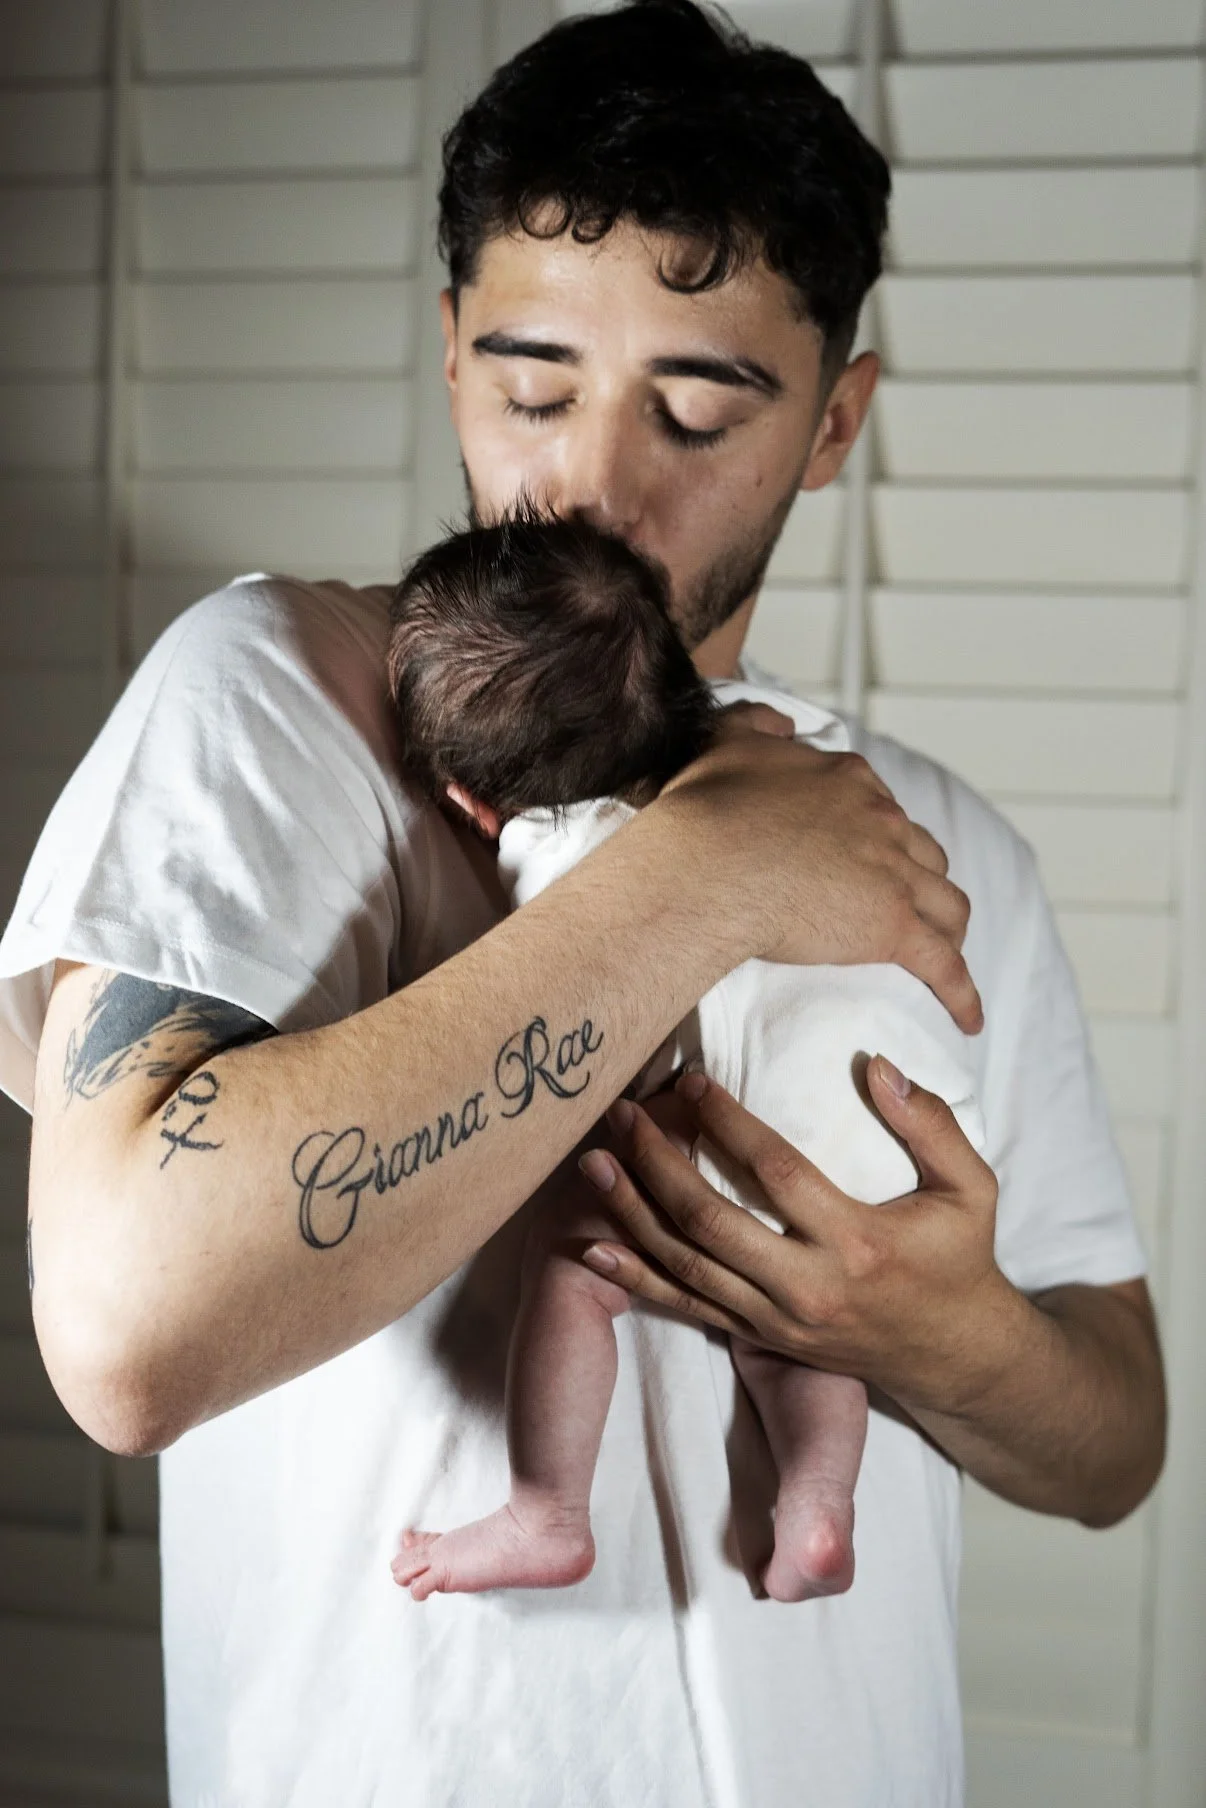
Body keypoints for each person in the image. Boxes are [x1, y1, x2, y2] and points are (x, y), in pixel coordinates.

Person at [0, 3, 1163, 1804]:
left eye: (698, 407)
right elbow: (126, 1328)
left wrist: (941, 1334)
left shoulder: (939, 844)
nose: (598, 487)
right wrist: (701, 876)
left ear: (836, 421)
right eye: (534, 386)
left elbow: (1113, 1434)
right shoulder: (277, 702)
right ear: (453, 355)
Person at [383, 506, 984, 1608]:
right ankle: (815, 1499)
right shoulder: (773, 748)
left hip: (736, 1118)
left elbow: (555, 1003)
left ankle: (546, 1509)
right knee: (804, 1330)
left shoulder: (555, 853)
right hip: (897, 1117)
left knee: (575, 1263)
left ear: (473, 804)